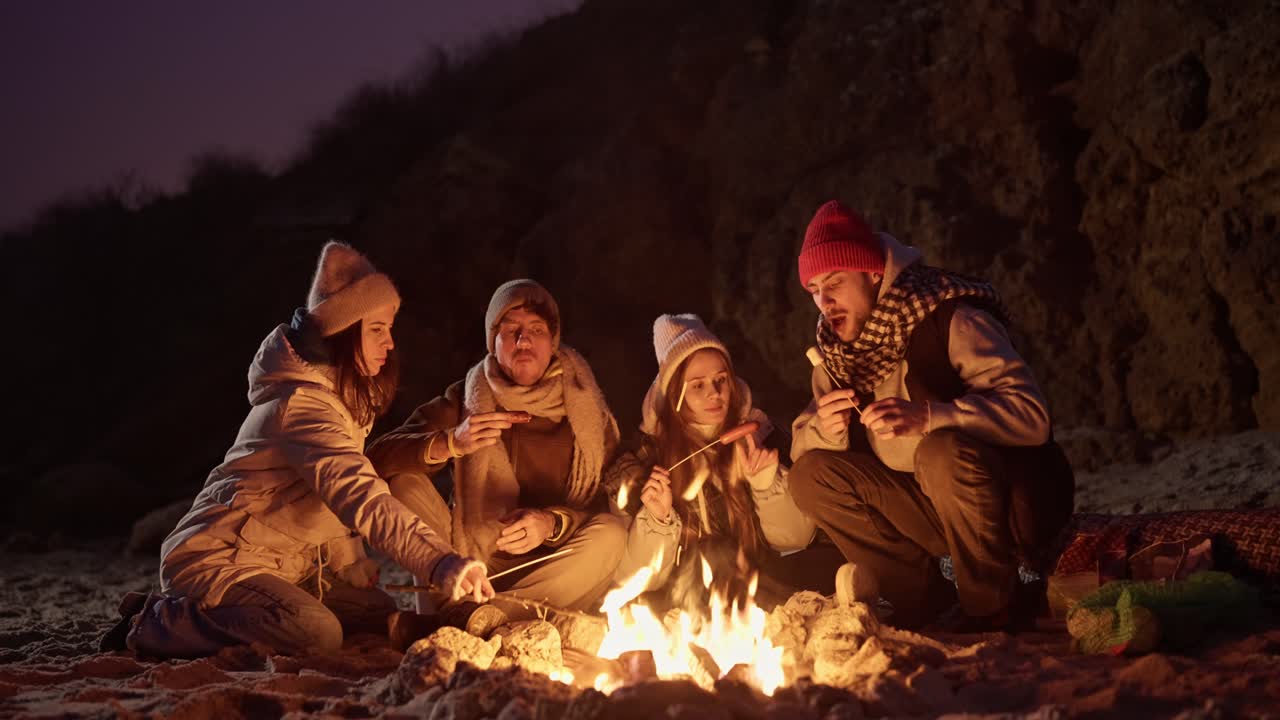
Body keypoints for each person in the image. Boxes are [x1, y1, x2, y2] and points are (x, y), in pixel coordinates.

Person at [100, 241, 492, 658]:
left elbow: (324, 498)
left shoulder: (339, 404)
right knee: (314, 633)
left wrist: (349, 561)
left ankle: (248, 610)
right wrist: (441, 562)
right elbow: (357, 494)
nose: (390, 343)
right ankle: (156, 622)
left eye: (390, 329)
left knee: (377, 614)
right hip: (222, 557)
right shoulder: (302, 408)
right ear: (343, 330)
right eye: (377, 329)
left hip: (289, 565)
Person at [788, 200, 1075, 631]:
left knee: (938, 451)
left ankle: (991, 604)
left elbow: (1032, 417)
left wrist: (929, 417)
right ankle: (918, 597)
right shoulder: (836, 356)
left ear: (872, 273)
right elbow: (800, 451)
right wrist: (823, 431)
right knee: (809, 476)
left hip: (1009, 506)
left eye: (835, 282)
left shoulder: (948, 317)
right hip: (927, 510)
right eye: (813, 289)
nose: (824, 301)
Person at [367, 279, 626, 618]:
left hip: (553, 568)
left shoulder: (587, 410)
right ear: (493, 342)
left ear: (553, 341)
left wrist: (551, 523)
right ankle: (483, 612)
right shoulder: (465, 399)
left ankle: (477, 616)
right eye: (511, 330)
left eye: (536, 329)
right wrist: (451, 442)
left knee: (613, 535)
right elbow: (377, 459)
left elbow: (602, 503)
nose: (524, 340)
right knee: (403, 483)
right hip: (469, 562)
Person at [605, 314, 832, 612]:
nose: (715, 393)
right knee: (716, 554)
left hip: (761, 583)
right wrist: (657, 521)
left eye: (721, 380)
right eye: (698, 386)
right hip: (685, 602)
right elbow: (634, 578)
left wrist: (766, 485)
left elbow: (797, 539)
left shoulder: (760, 434)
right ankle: (798, 606)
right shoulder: (642, 463)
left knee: (828, 558)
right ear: (675, 395)